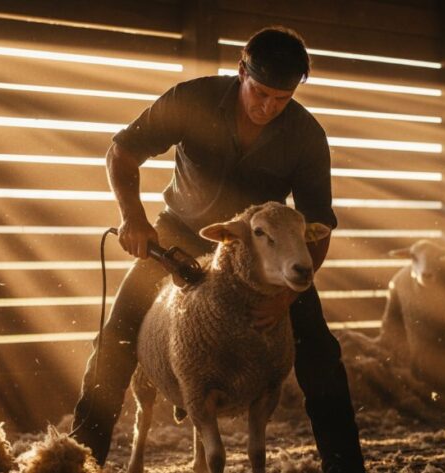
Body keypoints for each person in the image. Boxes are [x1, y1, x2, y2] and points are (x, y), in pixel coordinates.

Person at [71, 26, 366, 473]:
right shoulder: (192, 99)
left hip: (260, 250)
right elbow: (122, 152)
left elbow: (317, 225)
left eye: (281, 98)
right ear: (241, 71)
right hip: (179, 236)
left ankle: (346, 467)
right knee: (118, 338)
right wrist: (133, 217)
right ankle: (76, 459)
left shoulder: (305, 134)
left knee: (319, 351)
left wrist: (288, 297)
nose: (268, 107)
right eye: (261, 93)